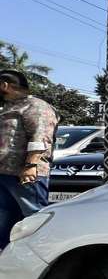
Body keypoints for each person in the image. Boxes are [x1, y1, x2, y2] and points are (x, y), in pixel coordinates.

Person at [0, 69, 58, 249]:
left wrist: (30, 165)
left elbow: (40, 138)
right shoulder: (9, 107)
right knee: (6, 219)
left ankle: (42, 254)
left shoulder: (36, 106)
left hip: (25, 175)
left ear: (5, 85)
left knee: (33, 218)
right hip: (4, 174)